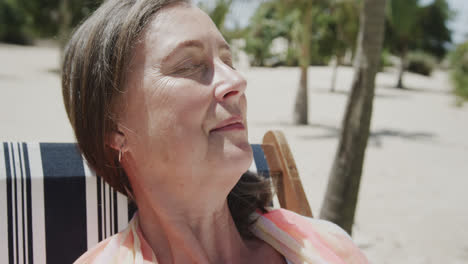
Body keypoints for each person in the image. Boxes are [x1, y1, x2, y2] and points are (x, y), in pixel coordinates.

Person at [62, 0, 369, 263]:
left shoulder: (327, 245)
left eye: (228, 60)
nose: (236, 81)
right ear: (114, 128)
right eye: (188, 65)